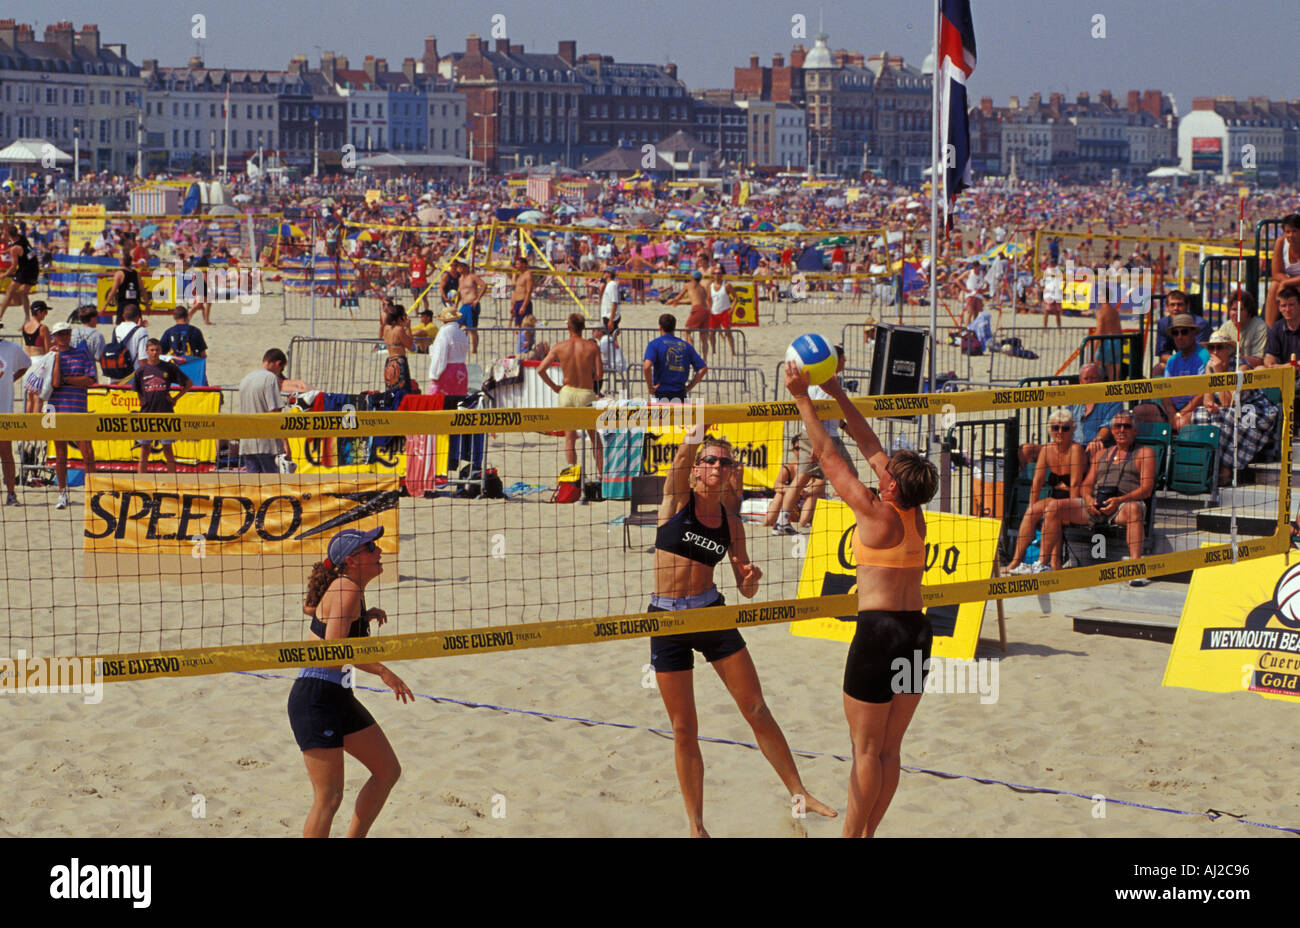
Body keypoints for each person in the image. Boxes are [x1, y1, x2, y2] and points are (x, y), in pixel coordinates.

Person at [650, 428, 835, 836]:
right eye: (711, 460)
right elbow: (680, 460)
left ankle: (799, 791)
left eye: (726, 461)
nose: (718, 466)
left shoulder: (732, 523)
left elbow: (746, 589)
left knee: (755, 708)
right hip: (666, 619)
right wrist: (699, 430)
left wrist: (751, 577)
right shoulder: (678, 499)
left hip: (711, 613)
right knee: (684, 728)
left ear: (733, 471)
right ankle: (697, 827)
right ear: (697, 469)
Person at [786, 359, 939, 837]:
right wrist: (838, 392)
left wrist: (802, 397)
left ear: (892, 484)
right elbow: (868, 445)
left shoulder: (876, 516)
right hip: (917, 632)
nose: (882, 467)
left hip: (878, 635)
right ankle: (867, 834)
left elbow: (828, 455)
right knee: (890, 750)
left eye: (887, 471)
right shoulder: (914, 515)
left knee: (865, 751)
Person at [289, 527, 412, 838]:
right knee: (328, 798)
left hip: (337, 694)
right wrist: (384, 672)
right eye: (370, 547)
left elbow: (313, 611)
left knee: (387, 771)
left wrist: (361, 617)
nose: (379, 550)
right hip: (316, 696)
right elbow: (333, 652)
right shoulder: (346, 590)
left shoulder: (347, 589)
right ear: (351, 560)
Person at [1040, 410, 1156, 582]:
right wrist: (1088, 500)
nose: (1122, 430)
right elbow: (1086, 485)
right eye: (1118, 426)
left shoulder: (1145, 453)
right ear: (1112, 429)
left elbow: (1146, 489)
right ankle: (1043, 564)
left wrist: (1119, 500)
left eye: (1127, 426)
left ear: (1135, 431)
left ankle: (1136, 568)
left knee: (1134, 509)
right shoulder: (1101, 454)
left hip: (1123, 504)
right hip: (1096, 503)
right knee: (1053, 507)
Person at [773, 347, 857, 535]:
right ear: (835, 361)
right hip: (823, 438)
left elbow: (828, 414)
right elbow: (817, 414)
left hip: (815, 434)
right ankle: (849, 518)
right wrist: (817, 445)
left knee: (802, 479)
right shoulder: (826, 382)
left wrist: (848, 430)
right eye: (843, 358)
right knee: (850, 476)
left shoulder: (818, 380)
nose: (845, 361)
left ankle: (782, 521)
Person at [1004, 409, 1087, 574]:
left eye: (1065, 428)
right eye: (1056, 428)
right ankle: (1016, 561)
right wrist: (1032, 505)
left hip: (1075, 499)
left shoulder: (1076, 450)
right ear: (1050, 429)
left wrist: (1069, 511)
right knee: (1032, 511)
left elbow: (1076, 484)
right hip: (1055, 498)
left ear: (1073, 429)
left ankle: (1051, 563)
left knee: (1053, 511)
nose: (1060, 432)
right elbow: (1037, 482)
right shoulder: (1047, 449)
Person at [1202, 331, 1279, 484]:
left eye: (1219, 347)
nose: (1215, 352)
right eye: (1211, 348)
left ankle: (1225, 467)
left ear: (1229, 350)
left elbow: (1228, 402)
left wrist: (1219, 372)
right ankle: (1208, 463)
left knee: (1230, 418)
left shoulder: (1241, 367)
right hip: (1231, 409)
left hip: (1254, 409)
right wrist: (1210, 405)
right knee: (1200, 414)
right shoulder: (1209, 366)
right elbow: (1207, 397)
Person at [537, 312, 604, 479]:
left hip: (566, 392)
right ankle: (603, 476)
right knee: (594, 438)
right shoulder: (592, 347)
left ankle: (574, 476)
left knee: (569, 438)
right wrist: (589, 375)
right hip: (585, 392)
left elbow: (540, 369)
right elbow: (600, 375)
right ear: (584, 328)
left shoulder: (560, 346)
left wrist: (555, 387)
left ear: (568, 328)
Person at [47, 322, 98, 510]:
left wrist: (67, 380)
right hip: (56, 409)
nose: (64, 337)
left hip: (77, 409)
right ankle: (62, 493)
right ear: (54, 336)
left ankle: (93, 492)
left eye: (66, 333)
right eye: (60, 334)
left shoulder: (82, 354)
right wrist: (57, 359)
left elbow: (90, 380)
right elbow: (53, 383)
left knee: (88, 452)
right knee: (60, 454)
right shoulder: (51, 356)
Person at [1135, 313, 1208, 432]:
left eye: (1184, 332)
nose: (1179, 336)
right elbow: (1165, 392)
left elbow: (1203, 394)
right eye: (1175, 333)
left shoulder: (1204, 356)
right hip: (1172, 410)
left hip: (1196, 409)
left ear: (1193, 333)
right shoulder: (1172, 360)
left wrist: (1181, 414)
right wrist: (1172, 414)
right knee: (1139, 412)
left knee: (1180, 423)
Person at [131, 338, 193, 474]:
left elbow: (189, 383)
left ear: (160, 351)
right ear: (146, 351)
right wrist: (143, 401)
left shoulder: (169, 367)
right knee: (144, 450)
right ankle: (142, 481)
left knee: (168, 450)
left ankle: (172, 481)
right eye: (152, 350)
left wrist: (176, 398)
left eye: (157, 349)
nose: (154, 352)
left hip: (165, 413)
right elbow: (137, 390)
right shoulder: (141, 370)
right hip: (147, 415)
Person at [237, 348, 293, 473]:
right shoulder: (270, 378)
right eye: (281, 369)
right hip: (266, 445)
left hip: (247, 443)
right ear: (278, 363)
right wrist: (285, 443)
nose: (280, 373)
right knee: (273, 488)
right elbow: (274, 414)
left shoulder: (246, 379)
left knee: (253, 489)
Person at [1262, 285, 1300, 438]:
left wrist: (1282, 367)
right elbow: (1268, 360)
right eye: (1283, 305)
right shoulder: (1277, 328)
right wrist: (1287, 367)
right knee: (1258, 371)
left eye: (1291, 304)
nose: (1287, 309)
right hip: (1284, 376)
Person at [643, 313, 707, 402]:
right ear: (674, 327)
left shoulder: (654, 344)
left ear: (660, 327)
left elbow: (646, 367)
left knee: (662, 415)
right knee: (678, 416)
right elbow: (703, 368)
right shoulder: (686, 346)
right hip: (680, 392)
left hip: (661, 391)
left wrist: (650, 387)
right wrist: (689, 387)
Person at [1065, 363, 1122, 460]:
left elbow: (1108, 427)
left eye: (1093, 378)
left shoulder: (1112, 400)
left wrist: (1096, 441)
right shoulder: (1073, 400)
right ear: (1080, 381)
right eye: (1086, 379)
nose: (1089, 382)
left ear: (1101, 380)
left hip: (1099, 448)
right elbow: (1066, 424)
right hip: (1073, 448)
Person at [0, 333, 30, 505]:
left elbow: (26, 363)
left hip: (4, 410)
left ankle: (11, 494)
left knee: (6, 453)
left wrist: (11, 378)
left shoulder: (11, 348)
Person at [1263, 214, 1300, 328]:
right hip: (1291, 281)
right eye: (1287, 232)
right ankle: (1269, 331)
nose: (1291, 235)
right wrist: (1288, 283)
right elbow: (1276, 273)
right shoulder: (1281, 242)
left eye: (1294, 231)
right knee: (1274, 286)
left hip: (1293, 282)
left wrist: (1286, 283)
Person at [0, 223, 40, 327]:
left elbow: (13, 267)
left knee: (10, 293)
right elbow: (18, 248)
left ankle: (0, 317)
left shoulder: (14, 249)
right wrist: (6, 251)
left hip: (25, 271)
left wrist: (3, 275)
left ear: (8, 235)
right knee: (23, 293)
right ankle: (27, 319)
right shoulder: (22, 238)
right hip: (35, 268)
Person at [1215, 288, 1267, 368]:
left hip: (1251, 372)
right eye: (1233, 309)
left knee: (1244, 368)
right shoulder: (1225, 328)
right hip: (1228, 369)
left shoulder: (1260, 327)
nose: (1236, 313)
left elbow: (1258, 360)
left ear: (1249, 311)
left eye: (1240, 309)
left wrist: (1232, 360)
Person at [667, 270, 711, 349]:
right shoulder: (702, 288)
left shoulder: (688, 285)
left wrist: (672, 300)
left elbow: (679, 296)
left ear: (692, 277)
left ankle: (692, 350)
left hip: (698, 309)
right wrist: (679, 302)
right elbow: (694, 300)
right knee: (704, 337)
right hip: (706, 310)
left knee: (686, 332)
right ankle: (704, 359)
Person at [108, 249, 149, 327]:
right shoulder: (136, 274)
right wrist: (147, 305)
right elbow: (143, 290)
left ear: (123, 262)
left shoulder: (119, 274)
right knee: (137, 328)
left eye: (120, 259)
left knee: (120, 328)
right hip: (134, 305)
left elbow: (113, 292)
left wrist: (104, 306)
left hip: (123, 305)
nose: (119, 261)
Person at [705, 267, 736, 361]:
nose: (717, 275)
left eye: (719, 273)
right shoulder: (710, 286)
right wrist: (708, 308)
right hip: (713, 312)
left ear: (722, 274)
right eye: (715, 273)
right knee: (711, 334)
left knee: (728, 333)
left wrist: (732, 309)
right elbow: (708, 298)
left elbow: (735, 298)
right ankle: (714, 350)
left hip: (724, 311)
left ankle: (733, 351)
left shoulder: (726, 285)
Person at [457, 263, 486, 354]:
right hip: (464, 305)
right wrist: (456, 303)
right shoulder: (460, 279)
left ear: (465, 267)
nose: (459, 268)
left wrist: (477, 299)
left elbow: (484, 286)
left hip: (472, 304)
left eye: (460, 266)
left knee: (472, 329)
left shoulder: (472, 277)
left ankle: (474, 350)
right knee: (457, 326)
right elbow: (460, 292)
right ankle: (460, 347)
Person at [113, 304, 150, 375]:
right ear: (138, 317)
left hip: (117, 371)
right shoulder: (142, 331)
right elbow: (142, 358)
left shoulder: (116, 329)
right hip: (133, 373)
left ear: (123, 316)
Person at [70, 305, 106, 374]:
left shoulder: (73, 332)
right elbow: (99, 357)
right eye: (96, 318)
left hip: (73, 367)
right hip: (89, 370)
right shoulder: (97, 335)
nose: (97, 320)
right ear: (92, 319)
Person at [510, 256, 534, 329]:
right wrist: (513, 306)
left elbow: (528, 292)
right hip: (517, 303)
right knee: (517, 326)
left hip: (523, 303)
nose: (516, 266)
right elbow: (515, 289)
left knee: (525, 326)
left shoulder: (528, 275)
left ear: (523, 264)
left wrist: (523, 306)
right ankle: (519, 340)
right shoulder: (520, 275)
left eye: (518, 264)